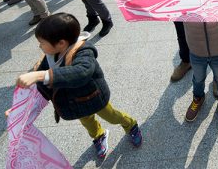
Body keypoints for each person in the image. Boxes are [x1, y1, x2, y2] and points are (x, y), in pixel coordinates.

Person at [14, 13, 142, 159]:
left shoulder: (83, 51)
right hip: (74, 102)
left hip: (93, 97)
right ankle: (99, 135)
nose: (40, 46)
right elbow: (41, 89)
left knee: (111, 116)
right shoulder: (49, 57)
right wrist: (21, 109)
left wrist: (40, 75)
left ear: (61, 43)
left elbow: (81, 72)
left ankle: (130, 125)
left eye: (42, 42)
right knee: (87, 122)